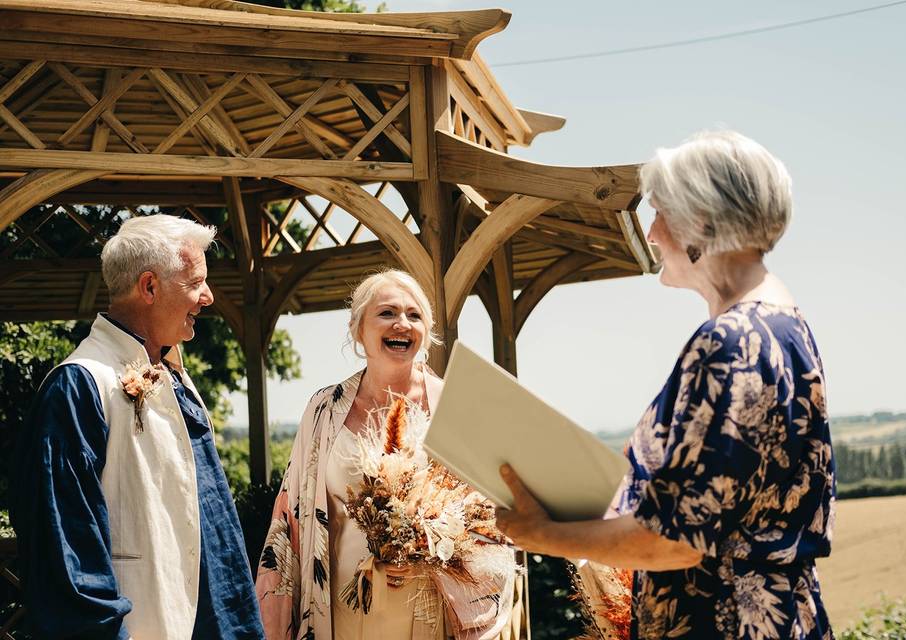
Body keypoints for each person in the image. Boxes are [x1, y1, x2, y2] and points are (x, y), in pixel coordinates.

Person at [495, 131, 835, 639]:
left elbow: (675, 540)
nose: (651, 232)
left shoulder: (730, 342)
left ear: (701, 219)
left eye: (659, 212)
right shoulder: (782, 326)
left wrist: (542, 535)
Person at [11, 214, 265, 639]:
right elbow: (66, 551)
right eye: (196, 282)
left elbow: (212, 529)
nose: (208, 297)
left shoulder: (177, 378)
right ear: (149, 287)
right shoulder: (77, 387)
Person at [256, 269, 514, 640]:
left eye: (414, 315)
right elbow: (290, 515)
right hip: (339, 607)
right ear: (358, 328)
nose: (402, 324)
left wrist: (423, 555)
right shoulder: (323, 408)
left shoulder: (457, 408)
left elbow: (490, 519)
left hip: (430, 610)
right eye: (387, 313)